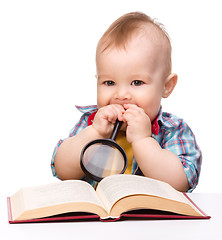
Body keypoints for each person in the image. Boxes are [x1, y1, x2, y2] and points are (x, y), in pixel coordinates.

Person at [51, 12, 202, 192]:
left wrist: (143, 140)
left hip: (153, 220)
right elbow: (62, 171)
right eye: (109, 82)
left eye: (137, 82)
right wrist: (94, 132)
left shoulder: (172, 130)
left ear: (166, 86)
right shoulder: (90, 123)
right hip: (96, 218)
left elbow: (181, 183)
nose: (121, 94)